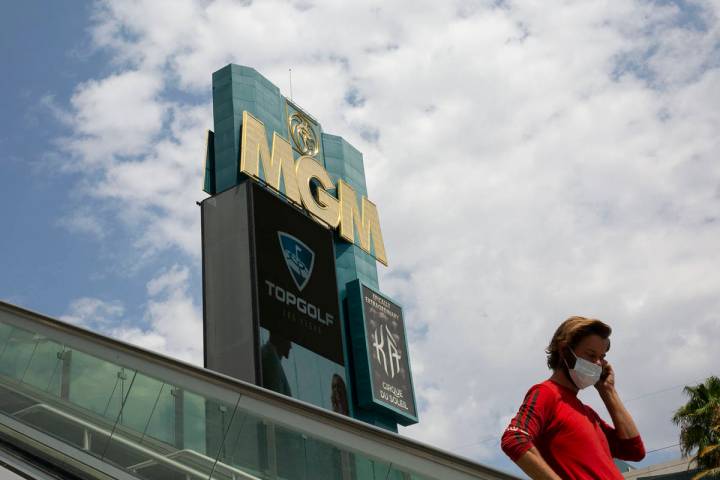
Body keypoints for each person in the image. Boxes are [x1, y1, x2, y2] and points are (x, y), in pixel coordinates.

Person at [501, 316, 645, 479]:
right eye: (591, 355)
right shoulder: (546, 393)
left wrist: (608, 391)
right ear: (564, 351)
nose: (598, 363)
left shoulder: (588, 414)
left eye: (602, 357)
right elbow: (514, 438)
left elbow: (634, 450)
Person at [261, 331, 292, 396]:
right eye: (289, 339)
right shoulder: (270, 357)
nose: (290, 346)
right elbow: (278, 399)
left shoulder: (270, 355)